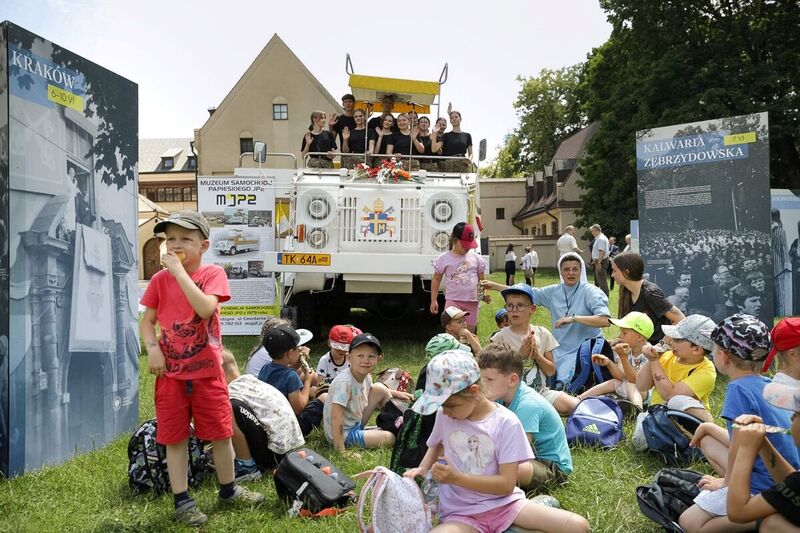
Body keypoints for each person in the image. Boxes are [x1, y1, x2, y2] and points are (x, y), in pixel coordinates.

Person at [140, 211, 264, 526]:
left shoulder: (212, 274)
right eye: (170, 239)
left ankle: (229, 489)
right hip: (171, 377)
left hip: (208, 375)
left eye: (185, 239)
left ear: (204, 245)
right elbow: (147, 321)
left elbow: (206, 307)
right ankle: (182, 502)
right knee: (175, 438)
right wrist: (153, 348)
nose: (175, 244)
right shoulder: (158, 280)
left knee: (221, 435)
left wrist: (180, 272)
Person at [403, 350, 590, 533]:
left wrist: (456, 478)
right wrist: (423, 468)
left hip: (505, 506)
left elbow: (506, 485)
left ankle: (526, 514)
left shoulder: (507, 422)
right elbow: (438, 443)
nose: (446, 411)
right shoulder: (446, 415)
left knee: (579, 526)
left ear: (474, 391)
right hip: (461, 514)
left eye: (450, 405)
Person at [680, 314, 800, 533]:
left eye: (714, 349)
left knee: (690, 523)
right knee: (707, 439)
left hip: (762, 485)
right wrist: (707, 426)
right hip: (784, 474)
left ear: (724, 357)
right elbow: (749, 439)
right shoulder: (766, 383)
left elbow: (739, 447)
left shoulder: (738, 389)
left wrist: (725, 483)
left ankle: (764, 513)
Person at [482, 252, 611, 390]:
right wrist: (494, 286)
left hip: (583, 349)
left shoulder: (591, 292)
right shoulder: (554, 291)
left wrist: (574, 318)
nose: (571, 273)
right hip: (558, 349)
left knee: (564, 382)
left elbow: (606, 320)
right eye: (566, 269)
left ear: (581, 271)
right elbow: (526, 294)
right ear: (560, 272)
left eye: (575, 269)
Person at [478, 343, 573, 490]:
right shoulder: (499, 395)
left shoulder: (527, 405)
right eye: (481, 379)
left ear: (512, 380)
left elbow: (520, 452)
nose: (482, 385)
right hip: (532, 460)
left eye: (489, 380)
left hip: (551, 468)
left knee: (513, 468)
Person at [490, 283, 578, 415]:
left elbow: (550, 371)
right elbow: (492, 373)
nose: (514, 310)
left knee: (574, 406)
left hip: (541, 392)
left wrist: (537, 355)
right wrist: (519, 356)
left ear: (532, 309)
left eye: (520, 305)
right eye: (510, 305)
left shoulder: (542, 333)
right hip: (510, 396)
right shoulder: (500, 337)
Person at [726, 375, 800, 530]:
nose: (791, 417)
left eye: (797, 414)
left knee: (772, 525)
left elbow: (738, 512)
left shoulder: (737, 387)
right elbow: (791, 483)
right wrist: (762, 443)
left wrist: (746, 448)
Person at [221, 349, 304, 481]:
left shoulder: (232, 391)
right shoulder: (252, 381)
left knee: (230, 407)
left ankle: (247, 467)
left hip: (274, 455)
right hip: (291, 449)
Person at [634, 315, 717, 440]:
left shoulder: (707, 371)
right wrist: (651, 360)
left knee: (677, 401)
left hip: (688, 422)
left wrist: (654, 361)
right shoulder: (667, 356)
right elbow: (642, 385)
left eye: (677, 340)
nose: (671, 342)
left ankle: (709, 435)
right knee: (639, 438)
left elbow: (669, 395)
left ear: (697, 349)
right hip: (659, 416)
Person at [323, 333, 397, 452]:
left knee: (380, 389)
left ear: (379, 358)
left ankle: (395, 422)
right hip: (343, 434)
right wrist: (341, 451)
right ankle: (388, 431)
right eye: (360, 355)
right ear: (349, 358)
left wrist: (400, 394)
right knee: (390, 438)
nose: (365, 360)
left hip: (355, 422)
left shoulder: (366, 376)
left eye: (371, 356)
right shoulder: (344, 383)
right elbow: (336, 417)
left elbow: (373, 391)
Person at [577, 311, 654, 411]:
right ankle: (579, 399)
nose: (620, 336)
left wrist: (624, 358)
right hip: (627, 386)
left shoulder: (649, 353)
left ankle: (637, 410)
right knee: (614, 382)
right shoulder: (625, 350)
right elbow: (621, 376)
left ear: (639, 337)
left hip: (644, 393)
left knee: (631, 384)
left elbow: (635, 380)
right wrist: (609, 363)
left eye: (624, 333)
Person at [257, 324, 325, 436]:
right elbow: (299, 408)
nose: (299, 350)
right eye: (297, 348)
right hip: (291, 429)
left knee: (313, 389)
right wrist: (308, 380)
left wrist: (298, 363)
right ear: (289, 353)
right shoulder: (291, 376)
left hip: (271, 422)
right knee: (323, 397)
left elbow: (283, 373)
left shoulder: (265, 368)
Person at [612, 252, 685, 344]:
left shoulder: (651, 293)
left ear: (626, 272)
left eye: (614, 271)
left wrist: (661, 345)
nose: (612, 275)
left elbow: (680, 319)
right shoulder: (625, 291)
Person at [431, 222, 491, 333]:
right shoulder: (444, 259)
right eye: (464, 244)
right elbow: (436, 278)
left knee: (469, 333)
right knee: (451, 332)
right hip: (453, 301)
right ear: (454, 240)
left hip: (472, 302)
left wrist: (483, 295)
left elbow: (481, 280)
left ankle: (470, 350)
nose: (468, 247)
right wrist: (433, 300)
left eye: (470, 245)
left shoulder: (476, 258)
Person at [245, 317, 311, 377]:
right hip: (265, 386)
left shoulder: (269, 348)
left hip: (264, 383)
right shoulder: (273, 351)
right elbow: (286, 374)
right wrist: (301, 357)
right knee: (310, 381)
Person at [772, 208, 791, 317]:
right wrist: (788, 265)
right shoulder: (780, 231)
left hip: (774, 269)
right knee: (782, 299)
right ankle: (783, 321)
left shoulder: (772, 231)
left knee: (777, 298)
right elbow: (784, 249)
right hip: (781, 270)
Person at [589, 224, 610, 296]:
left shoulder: (601, 239)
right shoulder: (601, 238)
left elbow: (601, 251)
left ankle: (605, 295)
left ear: (596, 230)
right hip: (600, 260)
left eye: (592, 231)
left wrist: (599, 262)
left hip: (601, 261)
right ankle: (603, 294)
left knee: (602, 280)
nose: (592, 233)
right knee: (600, 279)